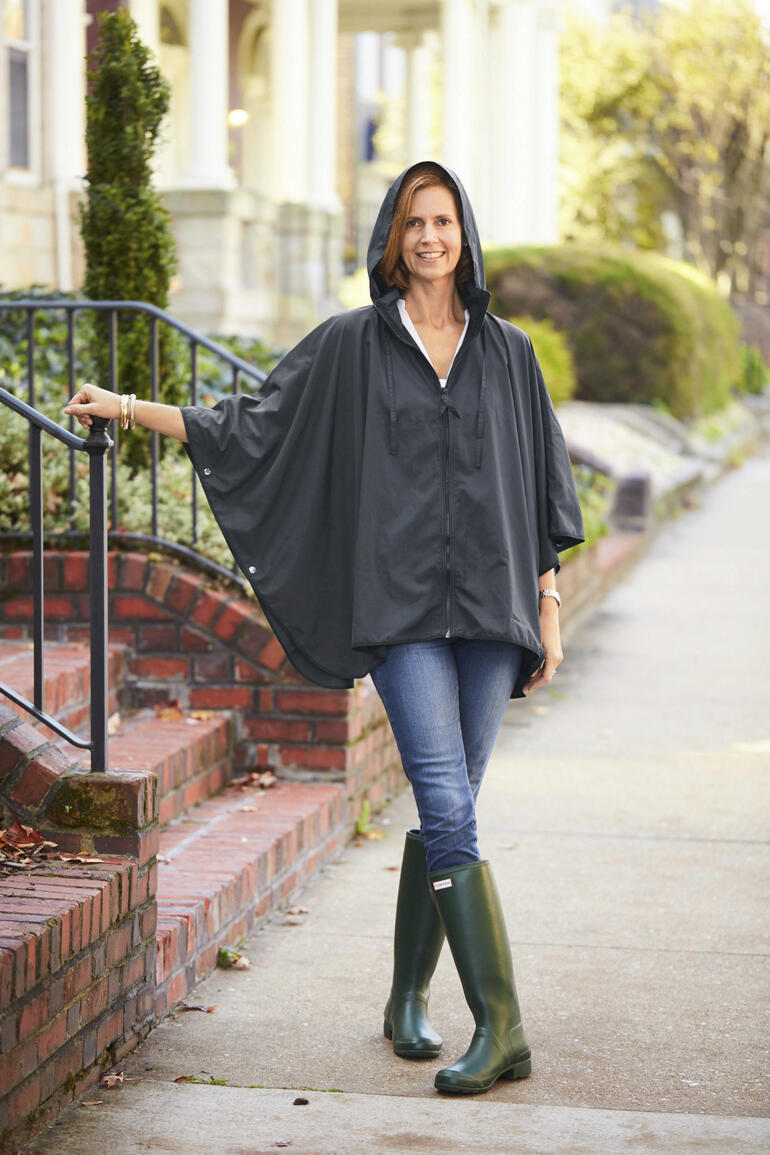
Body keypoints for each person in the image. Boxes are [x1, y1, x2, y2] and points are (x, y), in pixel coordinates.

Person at [63, 159, 585, 1096]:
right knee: (446, 794)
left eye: (445, 219)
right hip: (401, 612)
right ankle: (502, 1026)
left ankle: (404, 1001)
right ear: (390, 237)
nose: (430, 236)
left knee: (450, 800)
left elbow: (543, 487)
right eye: (414, 222)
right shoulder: (354, 344)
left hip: (495, 610)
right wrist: (129, 409)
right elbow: (250, 423)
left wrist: (549, 609)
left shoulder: (508, 351)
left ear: (465, 233)